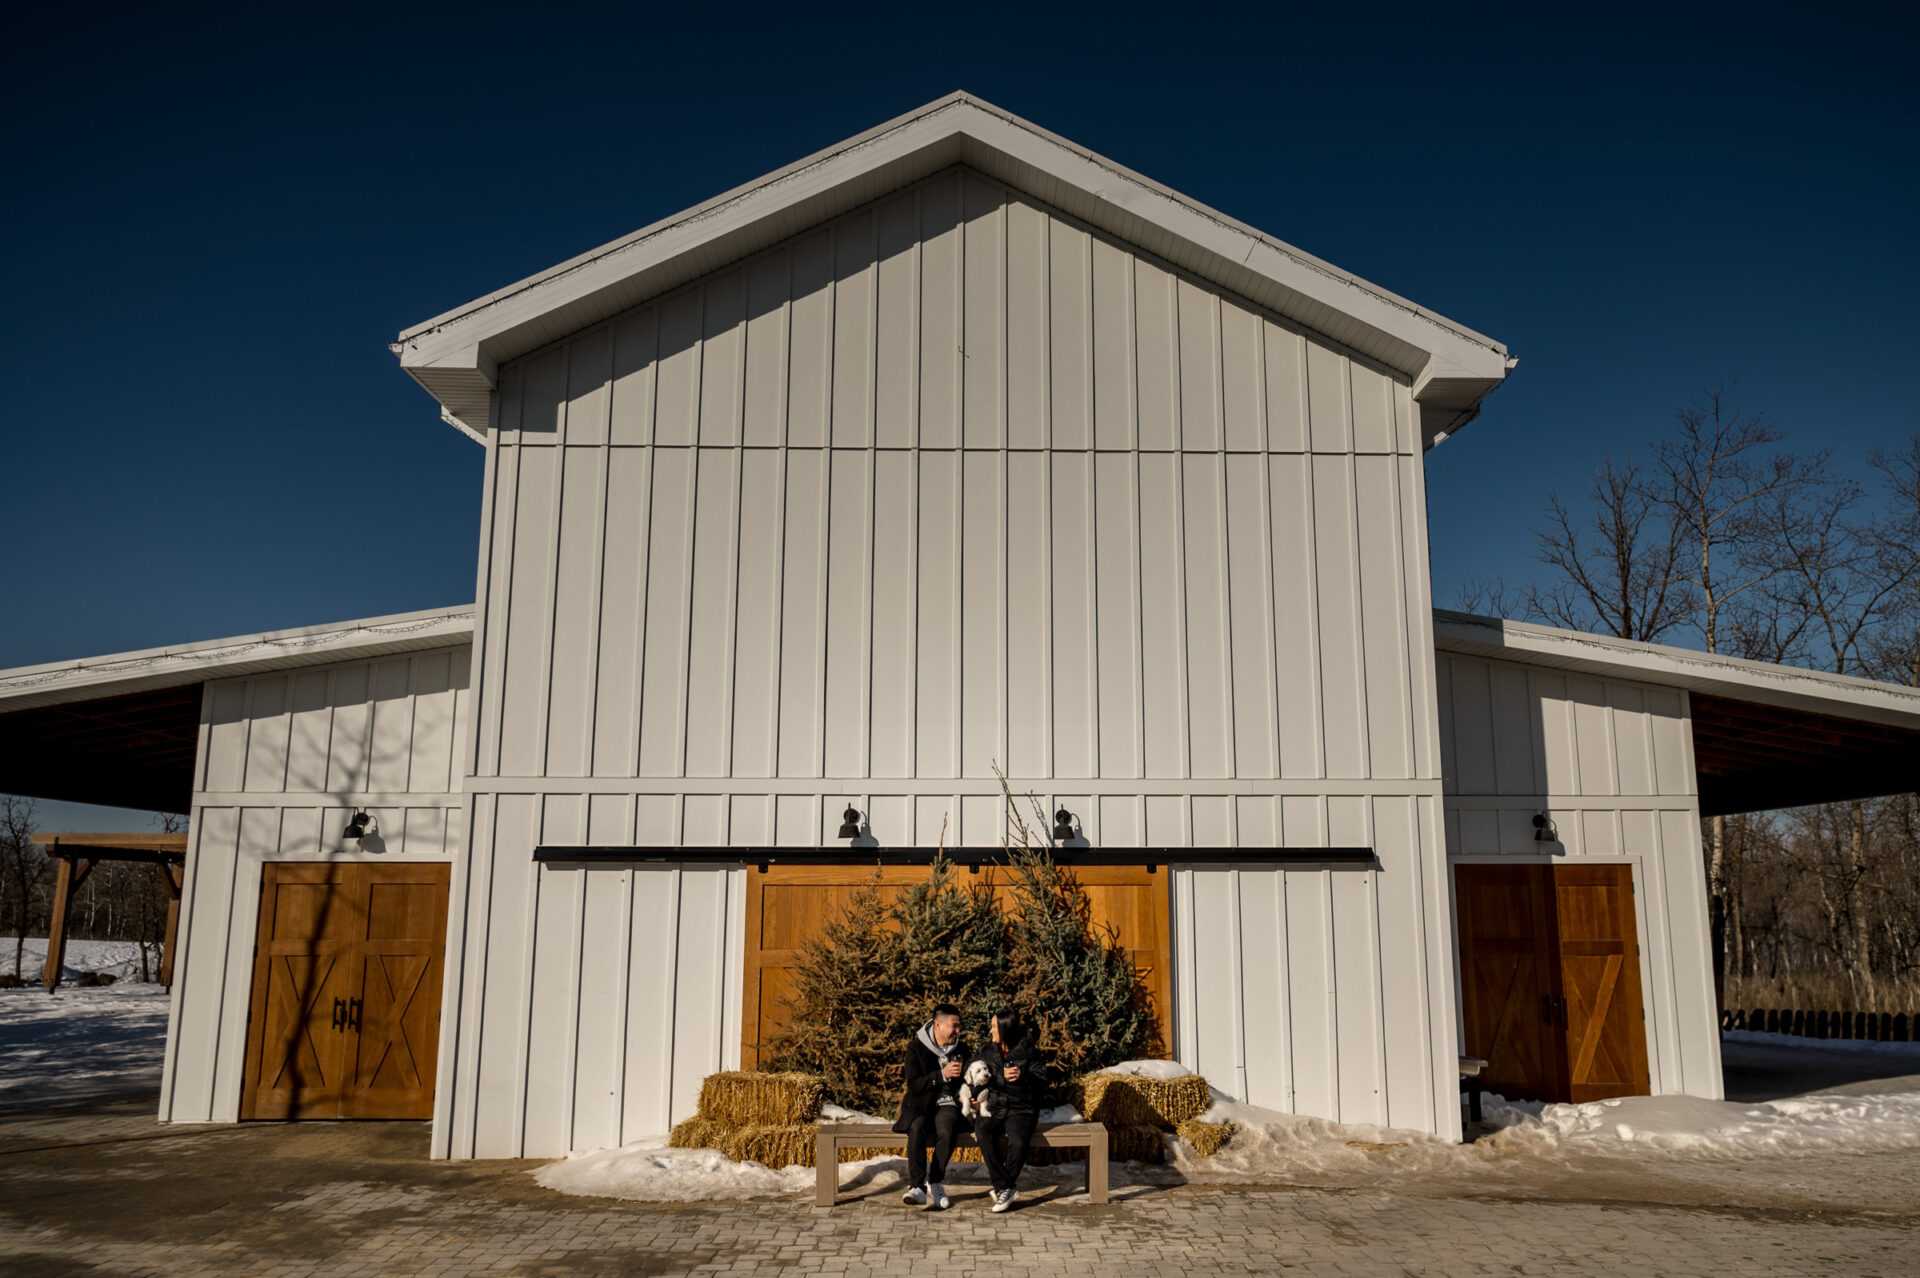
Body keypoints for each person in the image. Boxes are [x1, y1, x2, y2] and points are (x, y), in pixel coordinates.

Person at [892, 1002, 968, 1209]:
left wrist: (968, 1095)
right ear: (938, 1025)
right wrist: (941, 1075)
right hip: (921, 1104)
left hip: (947, 1103)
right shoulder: (915, 1048)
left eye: (959, 1026)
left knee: (948, 1127)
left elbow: (967, 1080)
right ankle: (916, 1187)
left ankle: (935, 1181)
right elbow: (914, 1085)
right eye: (954, 1026)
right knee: (916, 1128)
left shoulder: (961, 1049)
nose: (957, 1031)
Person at [971, 1009, 1046, 1213]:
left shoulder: (1029, 1052)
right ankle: (1006, 1187)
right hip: (994, 1105)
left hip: (1022, 1109)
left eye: (994, 1027)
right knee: (983, 1132)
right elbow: (973, 1071)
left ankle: (1004, 1187)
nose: (991, 1030)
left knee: (1019, 1141)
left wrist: (1022, 1076)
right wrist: (976, 1091)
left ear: (1006, 1028)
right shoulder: (987, 1051)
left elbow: (1041, 1084)